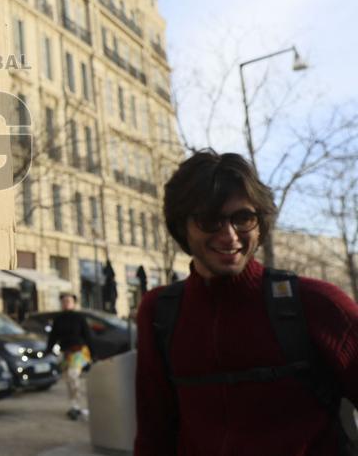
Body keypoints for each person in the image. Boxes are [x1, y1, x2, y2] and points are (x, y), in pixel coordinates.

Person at [135, 150, 358, 455]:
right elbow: (153, 436)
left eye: (243, 218)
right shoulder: (159, 312)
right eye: (209, 220)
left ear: (260, 223)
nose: (229, 235)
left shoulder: (318, 303)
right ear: (181, 226)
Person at [46, 292, 93, 421]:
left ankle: (76, 405)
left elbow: (88, 336)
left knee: (73, 376)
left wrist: (93, 353)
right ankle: (74, 405)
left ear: (74, 303)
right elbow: (53, 336)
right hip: (65, 353)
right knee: (69, 379)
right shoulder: (58, 319)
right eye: (64, 301)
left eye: (69, 301)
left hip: (78, 352)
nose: (66, 303)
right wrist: (48, 350)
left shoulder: (79, 318)